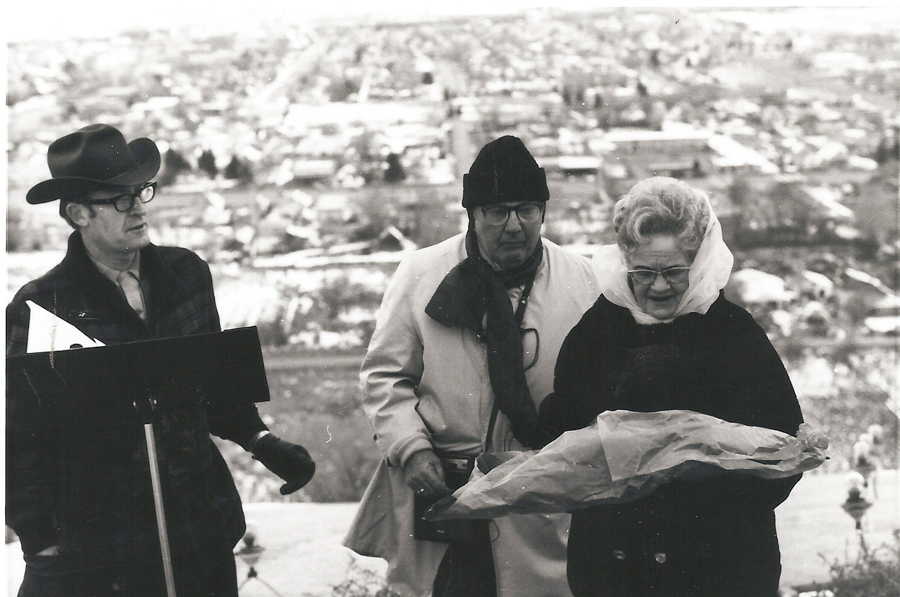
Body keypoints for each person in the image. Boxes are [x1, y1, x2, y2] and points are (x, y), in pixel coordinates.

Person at [6, 123, 316, 597]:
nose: (138, 208)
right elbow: (21, 436)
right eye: (119, 199)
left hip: (199, 525)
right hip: (104, 544)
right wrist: (40, 541)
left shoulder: (187, 274)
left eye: (140, 192)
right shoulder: (41, 304)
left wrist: (262, 440)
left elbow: (214, 387)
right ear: (78, 213)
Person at [344, 135, 599, 597]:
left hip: (539, 502)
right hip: (443, 492)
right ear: (473, 214)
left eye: (527, 209)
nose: (514, 225)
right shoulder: (422, 274)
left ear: (544, 211)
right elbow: (385, 377)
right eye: (496, 211)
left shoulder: (584, 280)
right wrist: (411, 448)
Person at [538, 176, 805, 597]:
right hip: (617, 567)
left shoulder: (732, 333)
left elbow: (784, 448)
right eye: (644, 272)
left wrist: (712, 493)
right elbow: (562, 439)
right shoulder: (598, 331)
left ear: (697, 262)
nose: (659, 286)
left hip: (721, 566)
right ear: (625, 259)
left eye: (674, 271)